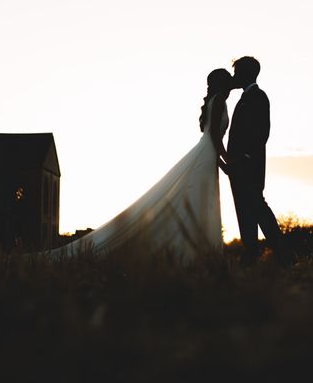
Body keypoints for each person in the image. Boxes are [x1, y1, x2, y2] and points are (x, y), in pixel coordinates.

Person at [43, 68, 233, 263]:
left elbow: (209, 134)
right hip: (208, 154)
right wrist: (228, 161)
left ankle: (199, 251)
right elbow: (213, 136)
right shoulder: (219, 100)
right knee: (198, 197)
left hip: (208, 155)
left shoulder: (213, 100)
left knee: (201, 198)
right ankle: (194, 252)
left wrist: (221, 160)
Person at [222, 56, 290, 266]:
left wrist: (245, 158)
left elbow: (262, 133)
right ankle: (250, 254)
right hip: (237, 165)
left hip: (249, 166)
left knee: (258, 208)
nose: (234, 77)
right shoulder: (244, 98)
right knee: (244, 210)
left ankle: (284, 255)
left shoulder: (258, 97)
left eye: (236, 73)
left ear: (246, 74)